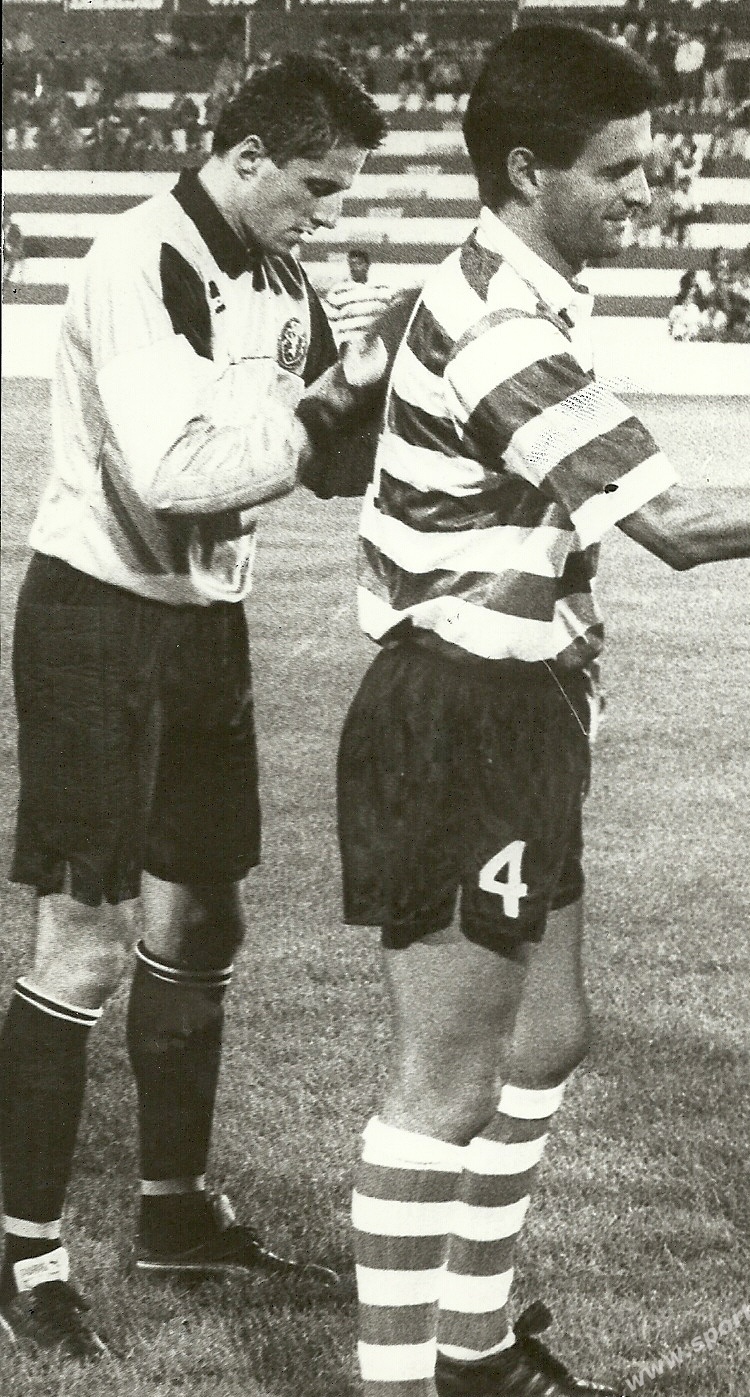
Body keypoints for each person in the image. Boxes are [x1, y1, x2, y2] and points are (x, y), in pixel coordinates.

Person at [338, 26, 750, 1397]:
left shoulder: (520, 297)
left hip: (521, 710)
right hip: (460, 714)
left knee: (547, 1037)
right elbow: (679, 526)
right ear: (526, 169)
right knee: (445, 1083)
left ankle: (477, 1350)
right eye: (618, 172)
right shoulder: (497, 326)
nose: (646, 195)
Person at [0, 55, 390, 1360]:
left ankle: (173, 1210)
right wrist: (322, 411)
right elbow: (174, 470)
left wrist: (372, 382)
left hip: (204, 629)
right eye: (315, 186)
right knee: (86, 941)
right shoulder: (142, 260)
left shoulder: (281, 280)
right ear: (246, 155)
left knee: (204, 919)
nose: (325, 213)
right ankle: (24, 1248)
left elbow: (330, 464)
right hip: (98, 623)